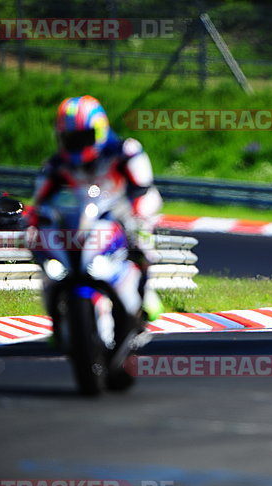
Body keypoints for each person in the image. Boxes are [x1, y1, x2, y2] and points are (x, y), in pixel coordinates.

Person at [26, 95, 163, 319]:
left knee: (141, 241)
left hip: (123, 210)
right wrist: (31, 223)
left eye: (84, 137)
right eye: (72, 138)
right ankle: (56, 314)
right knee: (48, 256)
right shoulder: (56, 164)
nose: (78, 144)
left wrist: (135, 216)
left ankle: (145, 292)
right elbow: (40, 202)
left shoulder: (125, 151)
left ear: (99, 130)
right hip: (83, 214)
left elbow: (142, 188)